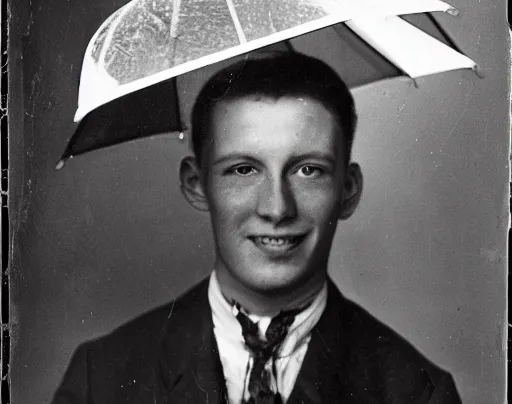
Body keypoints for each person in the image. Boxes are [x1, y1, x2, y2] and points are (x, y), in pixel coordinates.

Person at [51, 51, 462, 404]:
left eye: (308, 170)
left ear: (348, 190)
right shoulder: (101, 379)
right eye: (244, 169)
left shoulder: (415, 392)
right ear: (197, 185)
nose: (277, 208)